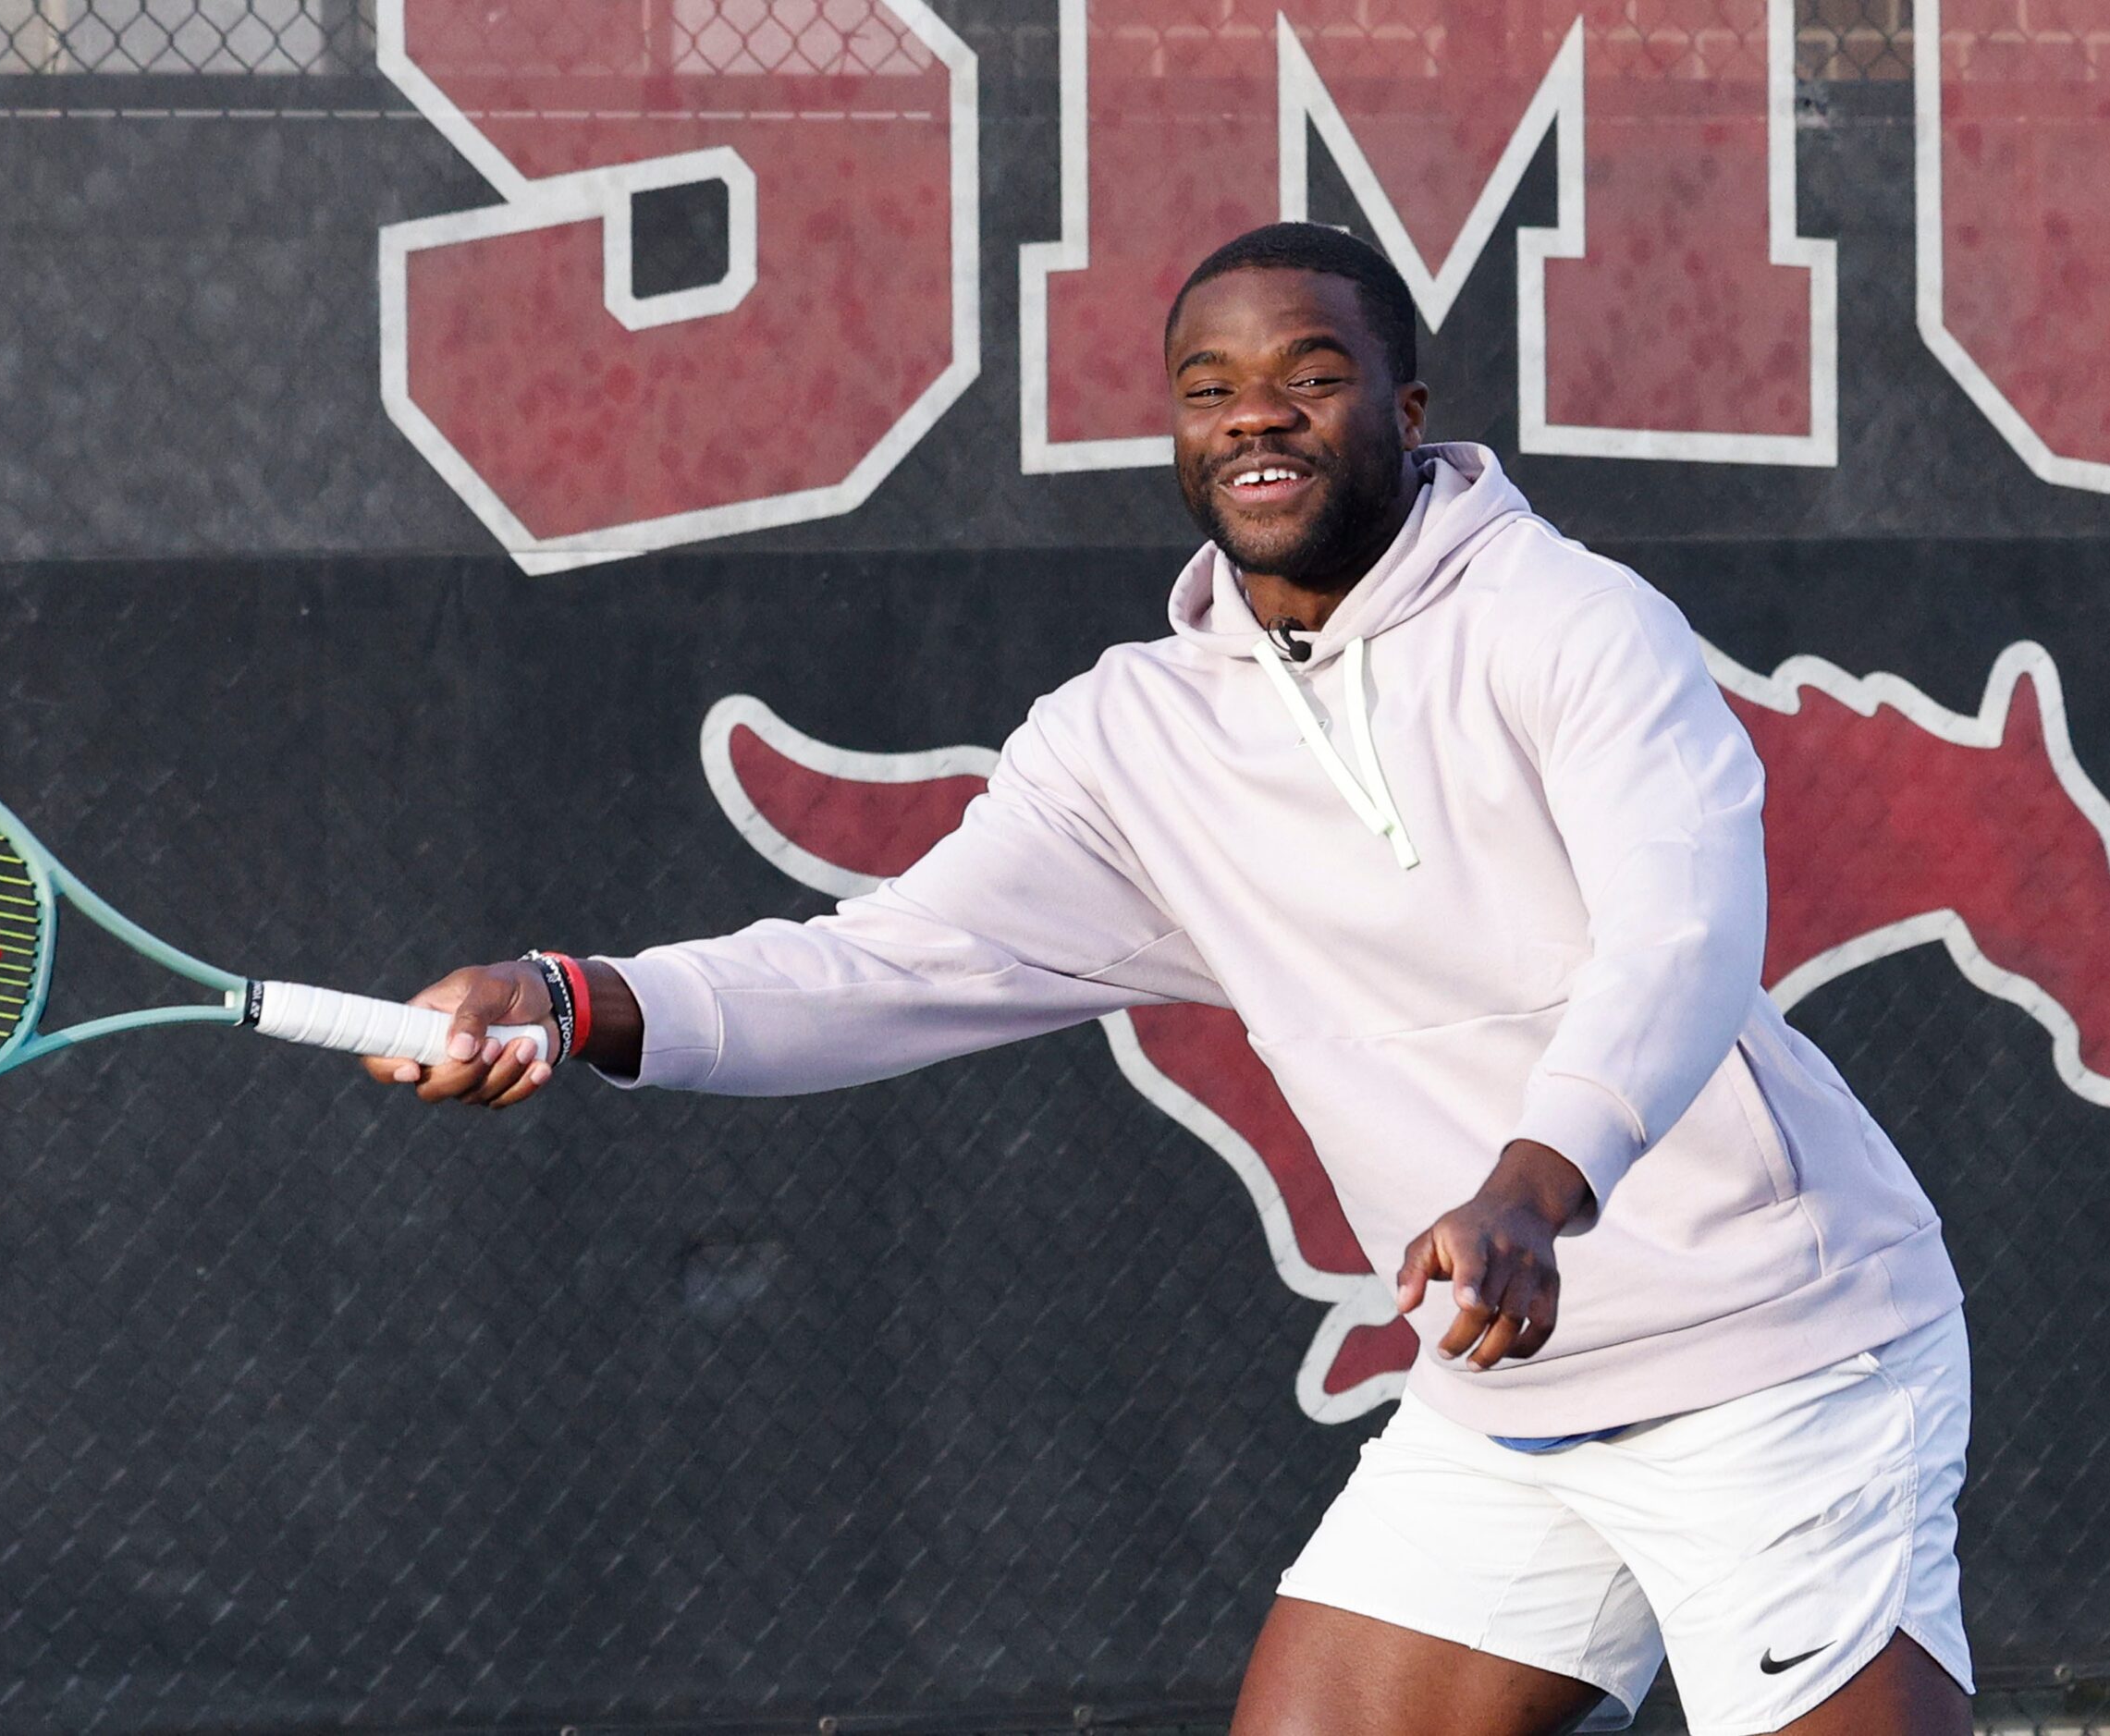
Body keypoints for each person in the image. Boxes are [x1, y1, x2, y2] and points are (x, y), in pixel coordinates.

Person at [363, 224, 1975, 1736]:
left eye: (1309, 376)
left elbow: (1679, 934)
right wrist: (571, 996)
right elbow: (884, 965)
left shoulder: (1567, 622)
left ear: (1404, 410)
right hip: (1508, 1398)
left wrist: (1534, 1188)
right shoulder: (1132, 738)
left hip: (1785, 1361)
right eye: (1207, 391)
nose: (1253, 419)